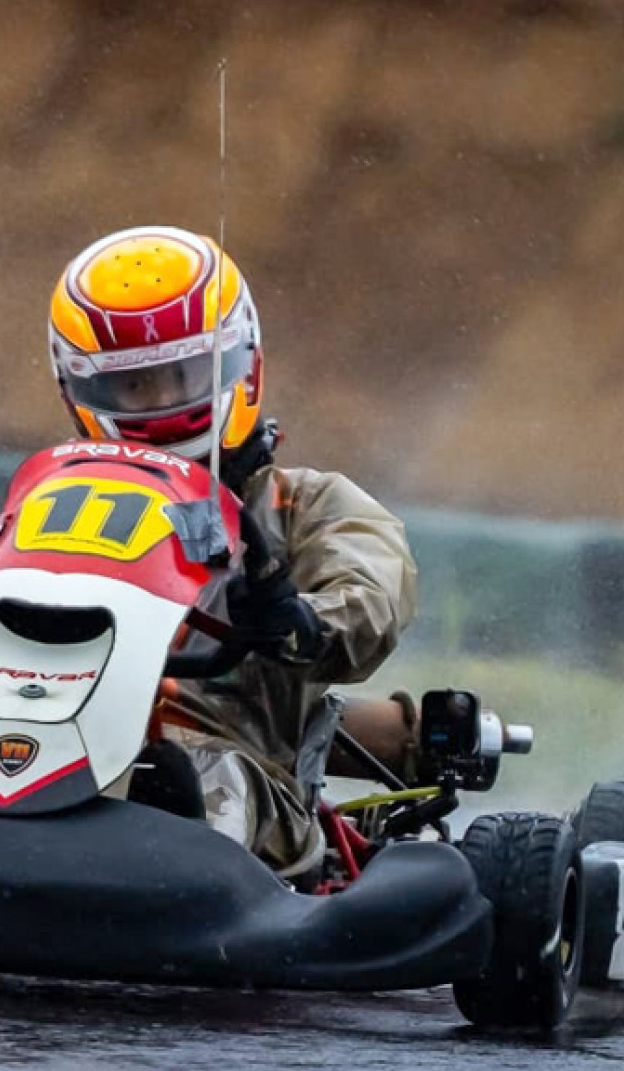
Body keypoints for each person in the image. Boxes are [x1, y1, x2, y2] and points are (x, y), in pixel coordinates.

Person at [47, 224, 417, 878]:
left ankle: (145, 847)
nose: (161, 403)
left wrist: (298, 620)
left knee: (180, 774)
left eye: (181, 376)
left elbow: (372, 595)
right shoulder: (57, 504)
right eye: (135, 388)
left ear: (238, 365)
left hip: (237, 774)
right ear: (82, 390)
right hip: (59, 740)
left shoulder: (307, 507)